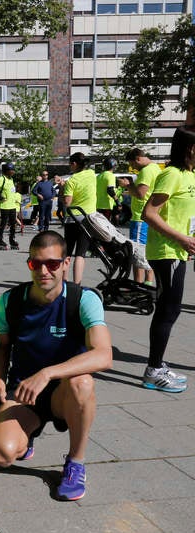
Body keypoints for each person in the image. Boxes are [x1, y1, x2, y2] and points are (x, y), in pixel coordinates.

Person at [0, 230, 112, 501]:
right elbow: (2, 346)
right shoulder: (10, 301)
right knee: (2, 454)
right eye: (36, 263)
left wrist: (47, 373)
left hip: (64, 394)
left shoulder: (83, 299)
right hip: (23, 391)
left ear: (66, 263)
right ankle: (28, 433)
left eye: (52, 264)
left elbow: (104, 355)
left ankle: (75, 462)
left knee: (83, 382)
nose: (43, 271)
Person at [139, 125, 195, 392]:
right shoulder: (171, 174)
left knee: (170, 309)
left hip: (178, 250)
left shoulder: (189, 175)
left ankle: (157, 365)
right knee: (168, 310)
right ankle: (153, 370)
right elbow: (149, 214)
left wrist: (187, 239)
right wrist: (181, 238)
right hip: (166, 252)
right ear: (191, 148)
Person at [119, 148, 161, 286]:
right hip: (151, 216)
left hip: (140, 218)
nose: (133, 168)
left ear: (138, 158)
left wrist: (128, 185)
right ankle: (148, 282)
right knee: (148, 251)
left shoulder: (146, 171)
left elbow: (141, 193)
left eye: (132, 164)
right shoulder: (156, 168)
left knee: (137, 253)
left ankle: (138, 285)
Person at [62, 152, 97, 284]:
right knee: (80, 254)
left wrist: (62, 188)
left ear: (74, 164)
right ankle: (77, 284)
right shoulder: (91, 174)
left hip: (73, 219)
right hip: (88, 219)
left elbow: (67, 202)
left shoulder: (72, 180)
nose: (70, 167)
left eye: (70, 164)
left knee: (67, 253)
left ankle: (64, 282)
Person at [0, 162, 19, 250]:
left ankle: (12, 240)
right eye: (11, 170)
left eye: (13, 170)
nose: (13, 172)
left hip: (12, 206)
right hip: (5, 206)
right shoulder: (2, 179)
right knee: (3, 224)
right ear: (6, 171)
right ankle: (0, 241)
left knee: (13, 224)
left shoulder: (11, 179)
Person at [96, 158, 121, 222]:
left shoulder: (99, 176)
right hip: (106, 205)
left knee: (99, 224)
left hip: (97, 205)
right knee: (105, 224)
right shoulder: (110, 175)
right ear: (114, 166)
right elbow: (110, 190)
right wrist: (118, 202)